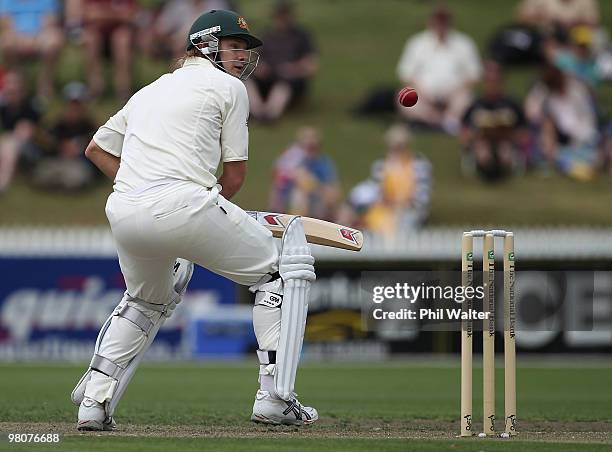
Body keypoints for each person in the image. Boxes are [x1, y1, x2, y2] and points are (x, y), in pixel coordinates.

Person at [71, 10, 318, 431]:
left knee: (145, 300)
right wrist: (201, 215)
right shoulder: (229, 88)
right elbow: (234, 175)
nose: (241, 57)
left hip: (125, 210)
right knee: (279, 273)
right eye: (234, 46)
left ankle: (93, 403)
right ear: (206, 44)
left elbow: (96, 148)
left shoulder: (150, 90)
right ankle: (275, 398)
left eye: (245, 49)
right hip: (186, 204)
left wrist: (143, 188)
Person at [396, 5, 481, 134]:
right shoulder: (417, 43)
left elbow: (474, 75)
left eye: (444, 20)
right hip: (423, 96)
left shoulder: (463, 43)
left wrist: (455, 91)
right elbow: (405, 74)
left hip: (454, 96)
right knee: (404, 99)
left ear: (450, 22)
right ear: (430, 21)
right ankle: (436, 121)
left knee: (466, 97)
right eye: (438, 20)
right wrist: (422, 93)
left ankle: (450, 120)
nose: (441, 24)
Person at [525, 62, 599, 180]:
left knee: (588, 156)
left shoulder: (576, 89)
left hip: (581, 136)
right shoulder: (546, 93)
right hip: (557, 138)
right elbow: (531, 111)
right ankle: (562, 162)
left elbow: (587, 121)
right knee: (547, 124)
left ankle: (571, 164)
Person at [245, 1, 318, 122]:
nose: (281, 20)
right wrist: (259, 67)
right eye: (278, 16)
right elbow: (255, 59)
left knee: (283, 85)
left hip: (290, 79)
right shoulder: (266, 35)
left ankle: (270, 114)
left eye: (284, 16)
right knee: (247, 79)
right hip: (268, 76)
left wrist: (294, 68)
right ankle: (256, 111)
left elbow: (311, 66)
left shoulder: (301, 36)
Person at [461, 61, 527, 182]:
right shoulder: (476, 105)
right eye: (489, 80)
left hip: (506, 141)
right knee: (483, 151)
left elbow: (524, 133)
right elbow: (464, 134)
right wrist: (477, 135)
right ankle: (486, 173)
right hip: (482, 141)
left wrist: (508, 133)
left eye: (495, 80)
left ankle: (503, 173)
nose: (492, 84)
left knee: (505, 151)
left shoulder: (512, 104)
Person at [32, 82, 99, 191]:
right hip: (58, 162)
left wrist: (80, 147)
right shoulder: (58, 124)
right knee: (42, 172)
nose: (74, 108)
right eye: (71, 104)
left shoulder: (92, 127)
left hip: (78, 165)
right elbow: (44, 144)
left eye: (78, 105)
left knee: (77, 177)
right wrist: (59, 146)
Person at [269, 127, 340, 221]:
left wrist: (316, 187)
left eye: (313, 138)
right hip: (290, 203)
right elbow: (278, 179)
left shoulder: (324, 162)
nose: (310, 141)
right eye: (306, 138)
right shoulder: (292, 160)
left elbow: (334, 191)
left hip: (318, 201)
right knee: (299, 195)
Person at [0, 0, 64, 99]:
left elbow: (50, 22)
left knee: (54, 40)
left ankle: (45, 83)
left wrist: (34, 39)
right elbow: (6, 24)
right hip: (16, 36)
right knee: (6, 42)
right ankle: (18, 82)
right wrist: (22, 38)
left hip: (40, 36)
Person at [81, 0, 138, 100]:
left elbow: (130, 16)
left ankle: (123, 90)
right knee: (90, 38)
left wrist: (103, 15)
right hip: (97, 34)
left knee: (122, 39)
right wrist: (116, 15)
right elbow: (88, 15)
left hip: (119, 34)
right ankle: (95, 89)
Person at [0, 71, 43, 193]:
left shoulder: (32, 108)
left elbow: (29, 134)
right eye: (9, 84)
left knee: (10, 144)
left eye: (15, 84)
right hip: (7, 147)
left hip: (31, 152)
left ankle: (3, 185)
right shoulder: (3, 108)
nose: (11, 87)